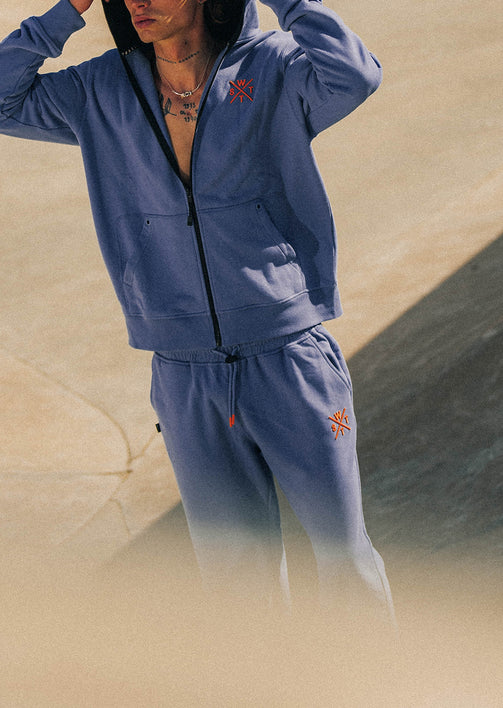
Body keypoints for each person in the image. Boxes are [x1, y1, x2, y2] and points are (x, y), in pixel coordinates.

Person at [0, 0, 393, 618]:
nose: (137, 0)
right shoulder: (100, 88)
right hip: (184, 374)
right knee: (234, 583)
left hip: (289, 357)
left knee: (343, 556)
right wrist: (65, 11)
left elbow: (355, 74)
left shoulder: (271, 69)